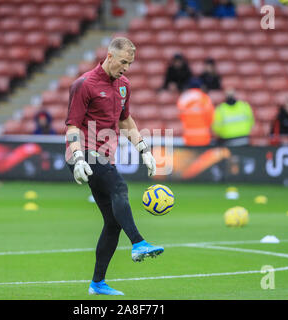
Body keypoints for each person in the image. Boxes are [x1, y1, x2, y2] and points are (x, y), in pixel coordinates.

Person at [64, 37, 163, 296]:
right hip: (85, 152)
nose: (126, 68)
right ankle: (139, 243)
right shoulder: (83, 84)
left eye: (129, 63)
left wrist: (144, 150)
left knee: (113, 222)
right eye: (123, 62)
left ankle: (97, 283)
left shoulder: (124, 85)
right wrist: (77, 158)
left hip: (105, 155)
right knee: (119, 186)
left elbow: (126, 122)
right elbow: (73, 127)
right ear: (109, 56)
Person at [177, 78, 215, 146]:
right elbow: (211, 117)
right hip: (203, 137)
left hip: (188, 137)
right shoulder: (204, 97)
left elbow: (180, 116)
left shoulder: (183, 98)